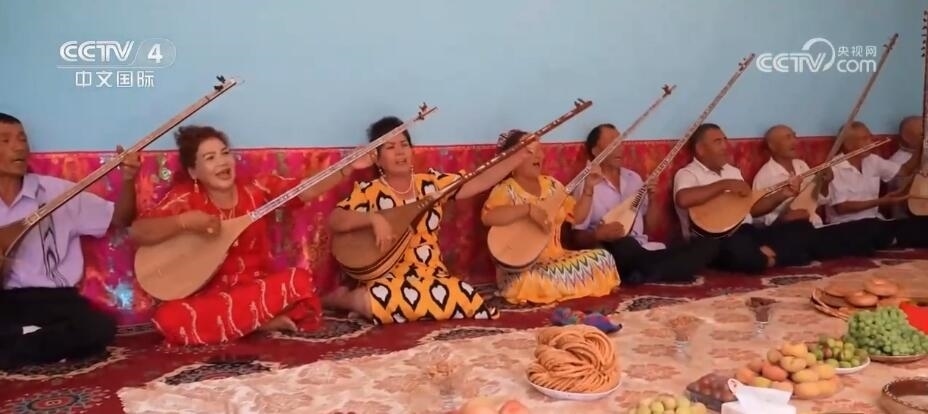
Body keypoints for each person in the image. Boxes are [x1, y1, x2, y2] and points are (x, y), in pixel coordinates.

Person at [129, 125, 356, 345]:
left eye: (225, 153)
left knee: (300, 282)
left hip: (256, 287)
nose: (222, 161)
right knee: (168, 318)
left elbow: (303, 190)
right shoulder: (185, 198)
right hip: (210, 296)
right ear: (193, 172)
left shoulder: (254, 188)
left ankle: (238, 325)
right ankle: (259, 323)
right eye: (210, 158)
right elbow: (138, 231)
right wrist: (184, 222)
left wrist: (347, 168)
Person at [324, 117, 530, 324]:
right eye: (390, 147)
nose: (400, 152)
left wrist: (518, 156)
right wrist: (373, 219)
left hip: (431, 274)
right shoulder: (369, 191)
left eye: (404, 145)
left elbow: (479, 180)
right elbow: (336, 219)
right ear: (377, 158)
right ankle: (344, 299)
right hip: (388, 277)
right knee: (376, 299)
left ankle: (393, 305)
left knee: (466, 297)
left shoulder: (431, 184)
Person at [0, 112, 138, 369]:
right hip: (6, 302)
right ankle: (39, 342)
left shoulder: (57, 192)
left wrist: (129, 179)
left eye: (22, 139)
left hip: (57, 300)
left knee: (100, 327)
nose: (18, 147)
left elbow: (121, 218)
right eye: (5, 140)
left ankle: (21, 342)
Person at [568, 124, 718, 285]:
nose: (619, 147)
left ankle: (647, 272)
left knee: (706, 245)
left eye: (620, 141)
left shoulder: (634, 178)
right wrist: (597, 235)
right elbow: (574, 237)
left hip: (646, 249)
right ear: (595, 151)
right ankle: (664, 270)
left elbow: (650, 228)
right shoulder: (586, 185)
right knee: (625, 244)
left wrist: (653, 199)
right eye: (612, 142)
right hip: (615, 251)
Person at [482, 129, 619, 304]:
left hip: (557, 258)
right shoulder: (506, 189)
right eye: (530, 151)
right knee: (530, 278)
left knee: (603, 258)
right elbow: (488, 217)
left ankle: (561, 285)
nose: (539, 155)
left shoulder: (553, 185)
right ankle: (571, 284)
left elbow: (577, 217)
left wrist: (588, 189)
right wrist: (528, 209)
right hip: (521, 267)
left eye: (540, 149)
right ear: (511, 160)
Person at [673, 123, 810, 274]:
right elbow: (683, 199)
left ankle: (762, 257)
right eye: (718, 142)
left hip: (747, 232)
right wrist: (724, 184)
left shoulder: (732, 171)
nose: (725, 146)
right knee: (735, 247)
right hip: (716, 240)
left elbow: (751, 209)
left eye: (725, 141)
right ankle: (773, 257)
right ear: (700, 149)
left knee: (801, 228)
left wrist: (783, 194)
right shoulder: (688, 174)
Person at [752, 124, 885, 259]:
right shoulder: (766, 175)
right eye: (788, 138)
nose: (794, 141)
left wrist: (825, 183)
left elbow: (819, 199)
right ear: (772, 146)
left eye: (794, 136)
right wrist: (784, 219)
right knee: (805, 235)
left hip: (815, 227)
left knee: (866, 227)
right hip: (788, 232)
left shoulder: (801, 165)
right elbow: (758, 218)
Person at [823, 121, 928, 248]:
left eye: (870, 137)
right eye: (864, 139)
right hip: (846, 225)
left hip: (876, 221)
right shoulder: (834, 168)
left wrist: (920, 147)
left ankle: (891, 239)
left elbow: (905, 170)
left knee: (920, 225)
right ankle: (891, 239)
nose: (870, 142)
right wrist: (881, 202)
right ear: (848, 144)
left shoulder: (872, 160)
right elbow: (842, 208)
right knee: (871, 228)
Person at [887, 116, 922, 218]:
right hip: (909, 216)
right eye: (923, 134)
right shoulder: (896, 162)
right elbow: (907, 192)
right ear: (907, 137)